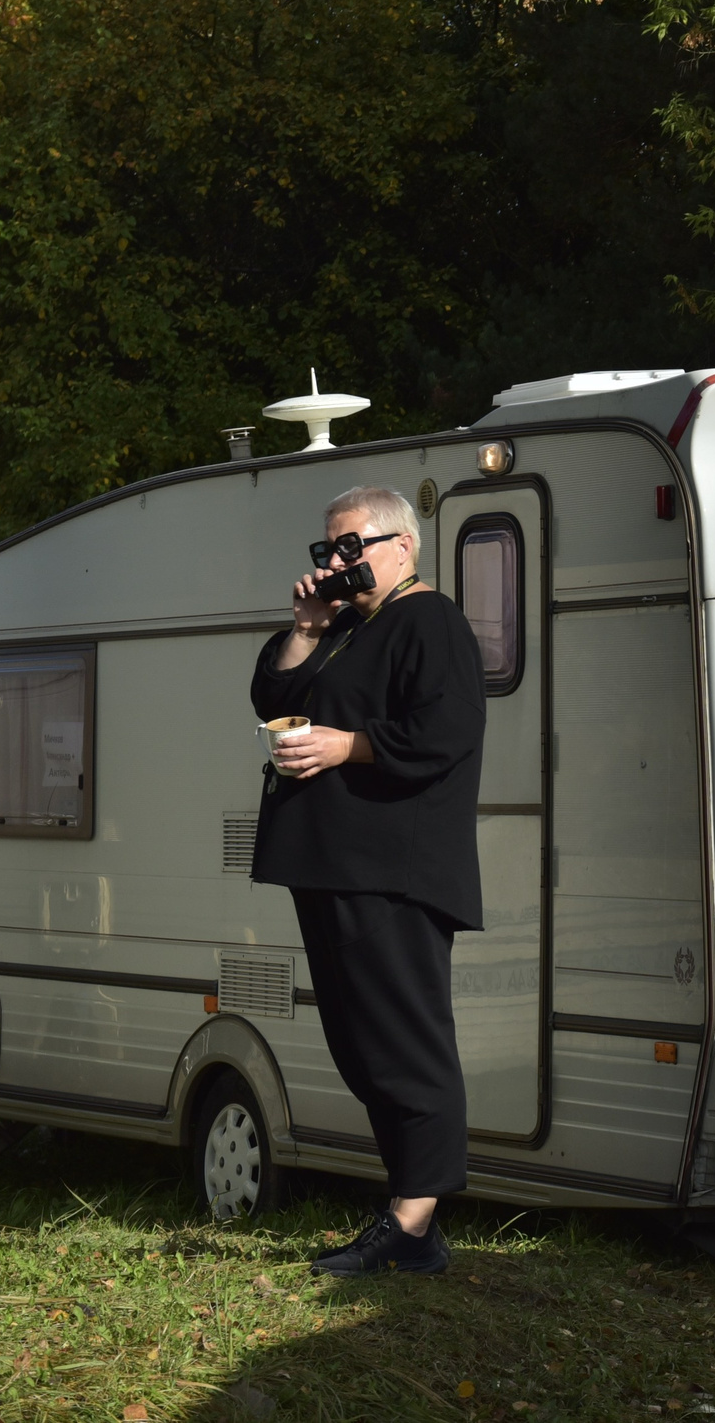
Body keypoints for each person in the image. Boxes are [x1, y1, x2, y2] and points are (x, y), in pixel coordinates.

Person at [250, 485, 486, 1276]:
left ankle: (412, 1222)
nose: (338, 564)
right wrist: (303, 630)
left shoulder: (433, 620)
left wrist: (345, 746)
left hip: (396, 869)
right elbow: (272, 697)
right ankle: (411, 1215)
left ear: (404, 545)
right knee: (359, 1045)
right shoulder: (345, 628)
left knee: (405, 1039)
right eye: (328, 551)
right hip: (331, 862)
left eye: (352, 546)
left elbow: (445, 731)